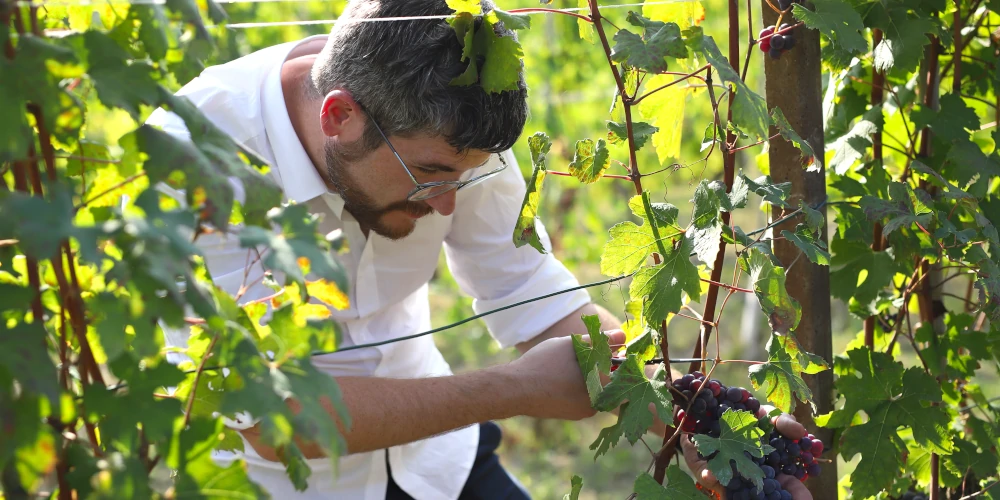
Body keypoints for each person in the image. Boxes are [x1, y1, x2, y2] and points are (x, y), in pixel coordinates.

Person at [149, 0, 814, 498]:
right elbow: (271, 416)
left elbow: (523, 288)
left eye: (465, 178)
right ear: (339, 116)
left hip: (438, 460)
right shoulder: (194, 160)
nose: (447, 204)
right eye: (431, 175)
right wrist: (509, 390)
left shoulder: (453, 133)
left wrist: (690, 412)